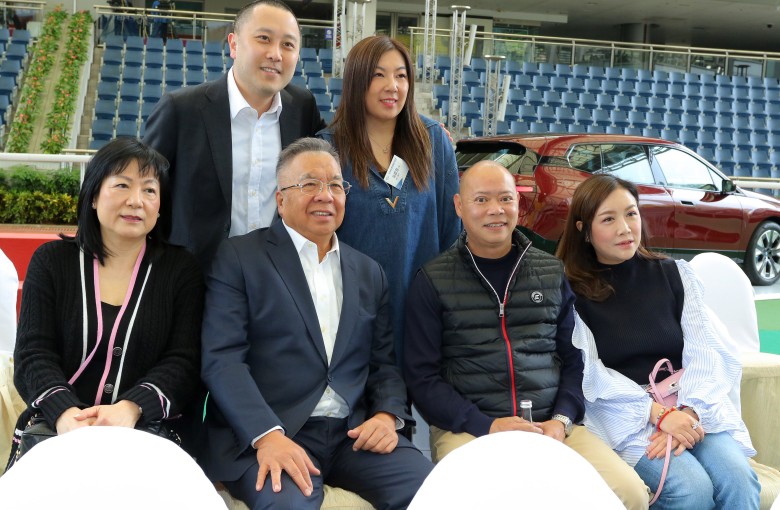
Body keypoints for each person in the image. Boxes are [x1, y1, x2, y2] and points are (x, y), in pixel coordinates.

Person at [200, 138, 432, 509]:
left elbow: (383, 365)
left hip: (351, 436)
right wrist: (266, 435)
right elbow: (223, 360)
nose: (326, 195)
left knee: (435, 491)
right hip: (274, 431)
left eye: (336, 185)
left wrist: (388, 415)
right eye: (309, 185)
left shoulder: (368, 272)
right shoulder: (240, 258)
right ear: (280, 199)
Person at [404, 161, 650, 510]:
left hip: (551, 423)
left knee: (630, 494)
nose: (495, 210)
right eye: (482, 200)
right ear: (459, 206)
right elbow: (422, 377)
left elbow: (574, 359)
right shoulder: (432, 280)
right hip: (469, 428)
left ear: (520, 205)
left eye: (505, 198)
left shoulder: (550, 272)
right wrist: (486, 425)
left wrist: (562, 420)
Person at [556, 174, 760, 509]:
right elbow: (589, 373)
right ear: (584, 230)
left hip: (690, 406)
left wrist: (687, 412)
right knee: (691, 491)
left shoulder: (673, 273)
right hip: (627, 415)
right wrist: (659, 415)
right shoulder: (571, 292)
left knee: (738, 480)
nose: (625, 228)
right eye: (608, 219)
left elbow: (705, 350)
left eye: (631, 213)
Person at [9, 138, 203, 464]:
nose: (136, 201)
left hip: (146, 434)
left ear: (160, 206)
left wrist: (131, 408)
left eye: (149, 190)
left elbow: (184, 360)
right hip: (56, 430)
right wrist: (64, 412)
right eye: (122, 185)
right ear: (94, 196)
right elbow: (32, 353)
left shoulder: (181, 270)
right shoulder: (52, 261)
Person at [144, 0, 324, 270]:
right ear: (234, 44)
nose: (276, 54)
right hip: (195, 280)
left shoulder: (302, 107)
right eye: (264, 38)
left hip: (276, 282)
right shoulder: (181, 110)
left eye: (288, 45)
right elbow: (145, 193)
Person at [318, 35, 460, 364]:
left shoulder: (434, 140)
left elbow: (452, 232)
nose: (391, 86)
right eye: (378, 75)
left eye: (401, 75)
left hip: (422, 313)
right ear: (356, 81)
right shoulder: (326, 148)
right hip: (351, 313)